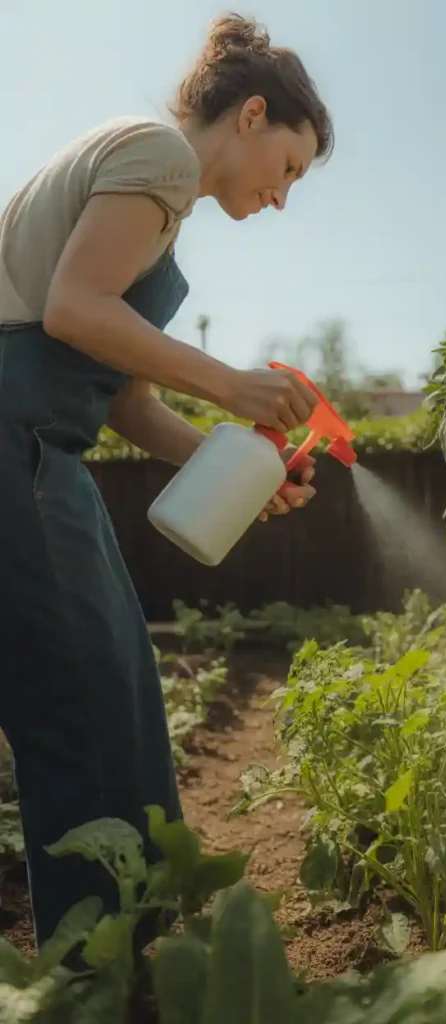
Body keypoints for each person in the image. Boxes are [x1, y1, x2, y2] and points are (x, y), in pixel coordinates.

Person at [0, 12, 332, 950]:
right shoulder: (156, 155)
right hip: (16, 446)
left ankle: (136, 934)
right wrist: (231, 383)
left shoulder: (163, 218)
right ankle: (97, 967)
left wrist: (242, 463)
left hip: (43, 454)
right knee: (79, 707)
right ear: (252, 114)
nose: (283, 194)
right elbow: (72, 309)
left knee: (123, 685)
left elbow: (127, 405)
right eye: (291, 167)